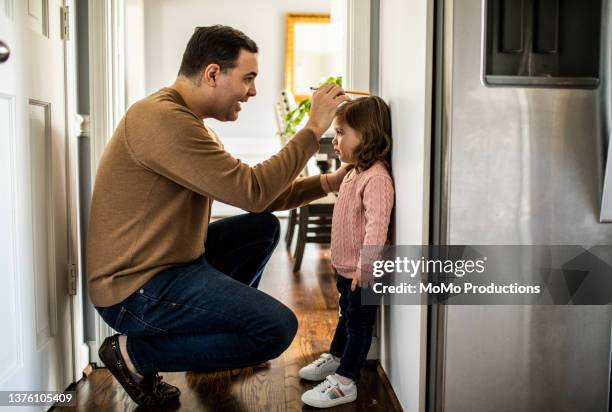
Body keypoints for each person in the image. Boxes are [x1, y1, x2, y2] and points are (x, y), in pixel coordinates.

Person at [87, 25, 349, 406]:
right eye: (248, 78)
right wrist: (312, 128)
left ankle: (211, 340)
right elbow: (254, 190)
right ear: (212, 74)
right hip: (133, 289)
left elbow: (257, 197)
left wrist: (326, 182)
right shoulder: (160, 120)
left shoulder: (190, 125)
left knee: (259, 229)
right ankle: (133, 355)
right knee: (275, 330)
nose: (253, 91)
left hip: (171, 266)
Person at [299, 96, 394, 408]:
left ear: (365, 136)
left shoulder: (377, 178)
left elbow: (377, 226)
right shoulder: (354, 171)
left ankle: (345, 380)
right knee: (347, 315)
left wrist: (367, 268)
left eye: (340, 133)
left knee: (358, 325)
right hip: (347, 270)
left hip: (364, 272)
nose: (334, 139)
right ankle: (337, 358)